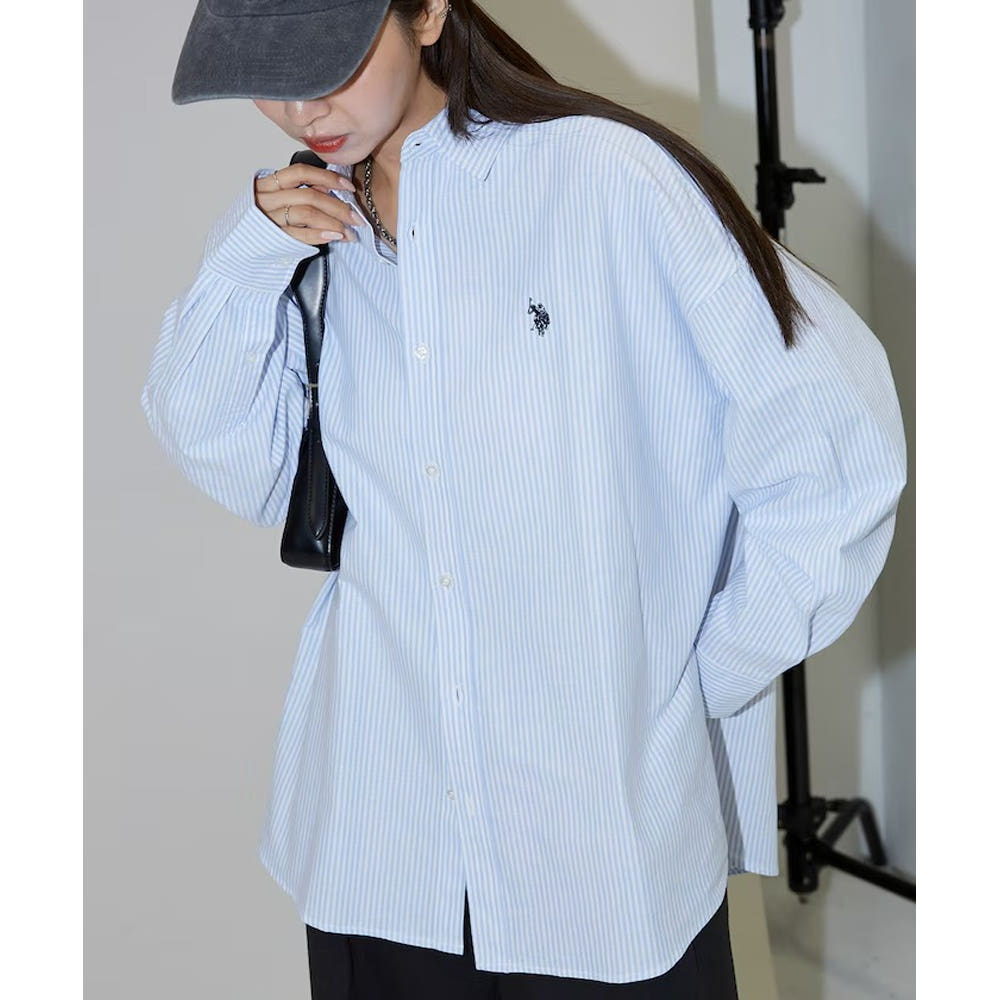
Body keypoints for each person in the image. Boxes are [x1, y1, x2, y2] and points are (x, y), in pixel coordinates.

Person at [142, 1, 907, 997]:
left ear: (426, 14)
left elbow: (833, 446)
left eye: (327, 65)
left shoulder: (605, 177)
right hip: (384, 825)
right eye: (268, 80)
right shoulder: (305, 233)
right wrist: (247, 254)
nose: (301, 110)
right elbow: (237, 457)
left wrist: (693, 678)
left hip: (596, 840)